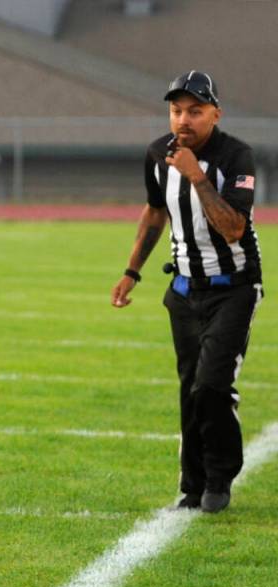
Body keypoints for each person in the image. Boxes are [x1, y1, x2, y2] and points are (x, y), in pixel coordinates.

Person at [111, 71, 264, 513]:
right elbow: (155, 212)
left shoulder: (236, 157)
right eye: (177, 110)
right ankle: (193, 484)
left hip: (233, 287)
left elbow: (234, 228)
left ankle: (219, 478)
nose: (184, 120)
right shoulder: (159, 154)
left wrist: (197, 176)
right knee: (189, 388)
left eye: (195, 111)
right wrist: (131, 271)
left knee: (212, 386)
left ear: (215, 113)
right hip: (183, 290)